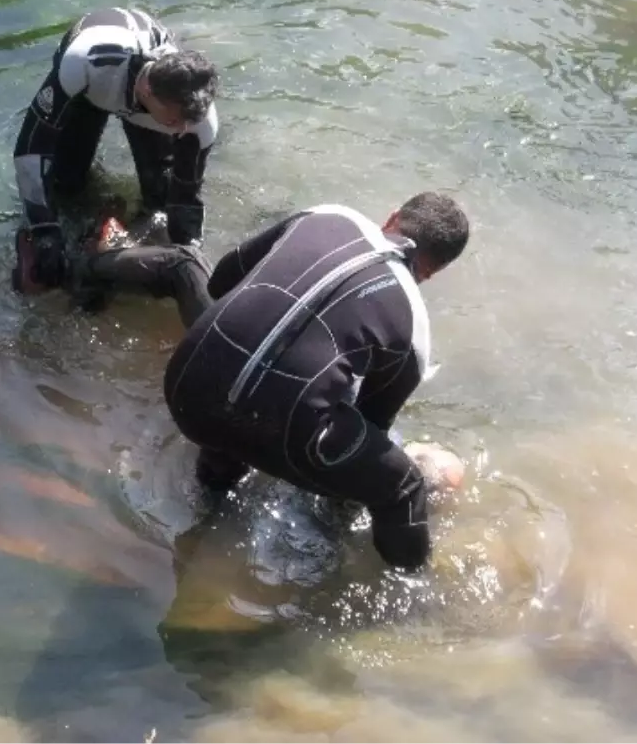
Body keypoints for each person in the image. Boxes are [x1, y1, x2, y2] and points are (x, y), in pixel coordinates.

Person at [74, 191, 470, 572]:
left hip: (187, 385)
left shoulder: (329, 216)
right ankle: (412, 590)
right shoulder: (414, 324)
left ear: (392, 217)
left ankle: (210, 496)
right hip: (286, 431)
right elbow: (370, 426)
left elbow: (222, 279)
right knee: (401, 487)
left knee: (237, 399)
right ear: (433, 273)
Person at [10, 7, 220, 295]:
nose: (182, 131)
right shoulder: (83, 64)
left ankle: (110, 233)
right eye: (174, 122)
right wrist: (45, 230)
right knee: (67, 185)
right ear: (147, 90)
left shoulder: (196, 121)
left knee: (159, 199)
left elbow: (186, 200)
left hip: (146, 97)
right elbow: (31, 147)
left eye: (189, 123)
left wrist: (184, 253)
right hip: (93, 88)